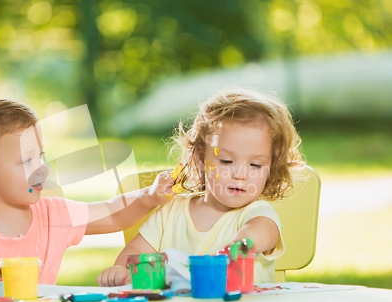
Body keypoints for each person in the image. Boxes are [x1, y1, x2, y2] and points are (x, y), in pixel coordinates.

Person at [0, 98, 175, 297]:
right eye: (26, 160)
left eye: (41, 155)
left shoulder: (53, 215)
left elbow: (111, 213)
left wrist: (149, 197)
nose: (42, 168)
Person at [97, 87, 305, 287]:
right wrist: (122, 271)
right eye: (226, 161)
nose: (240, 174)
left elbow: (262, 233)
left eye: (256, 165)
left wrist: (242, 244)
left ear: (271, 168)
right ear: (201, 159)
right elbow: (136, 252)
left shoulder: (255, 213)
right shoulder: (170, 211)